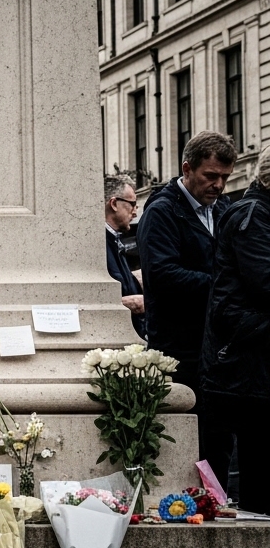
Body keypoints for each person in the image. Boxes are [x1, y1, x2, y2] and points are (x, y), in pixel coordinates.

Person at [137, 131, 236, 486]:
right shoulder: (162, 211)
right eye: (211, 176)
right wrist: (222, 286)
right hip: (181, 348)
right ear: (187, 168)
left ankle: (219, 500)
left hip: (217, 346)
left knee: (219, 438)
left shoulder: (223, 210)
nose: (219, 185)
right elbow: (162, 275)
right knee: (191, 438)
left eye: (225, 177)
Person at [203, 148, 270, 513]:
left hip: (251, 357)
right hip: (245, 361)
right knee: (256, 465)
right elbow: (264, 281)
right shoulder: (252, 215)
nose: (220, 184)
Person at [103, 175, 146, 339]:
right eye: (132, 204)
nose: (135, 212)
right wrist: (131, 303)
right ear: (113, 203)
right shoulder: (99, 244)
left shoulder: (113, 240)